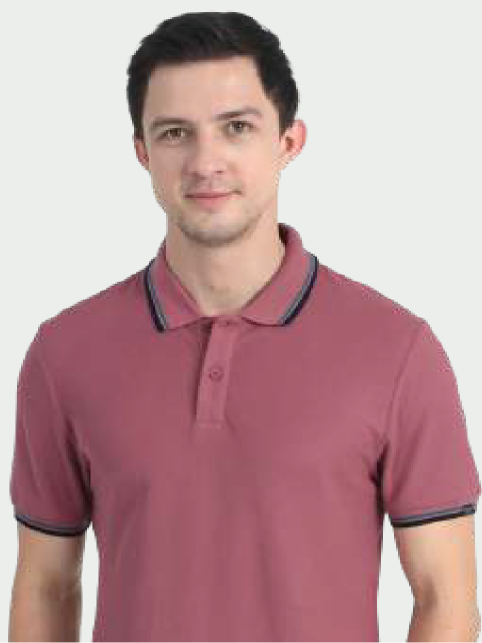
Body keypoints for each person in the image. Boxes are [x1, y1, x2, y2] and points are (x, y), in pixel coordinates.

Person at [8, 11, 481, 643]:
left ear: (289, 142)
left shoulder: (398, 351)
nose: (206, 161)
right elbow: (44, 585)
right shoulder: (66, 353)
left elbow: (445, 596)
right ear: (142, 152)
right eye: (175, 132)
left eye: (236, 127)